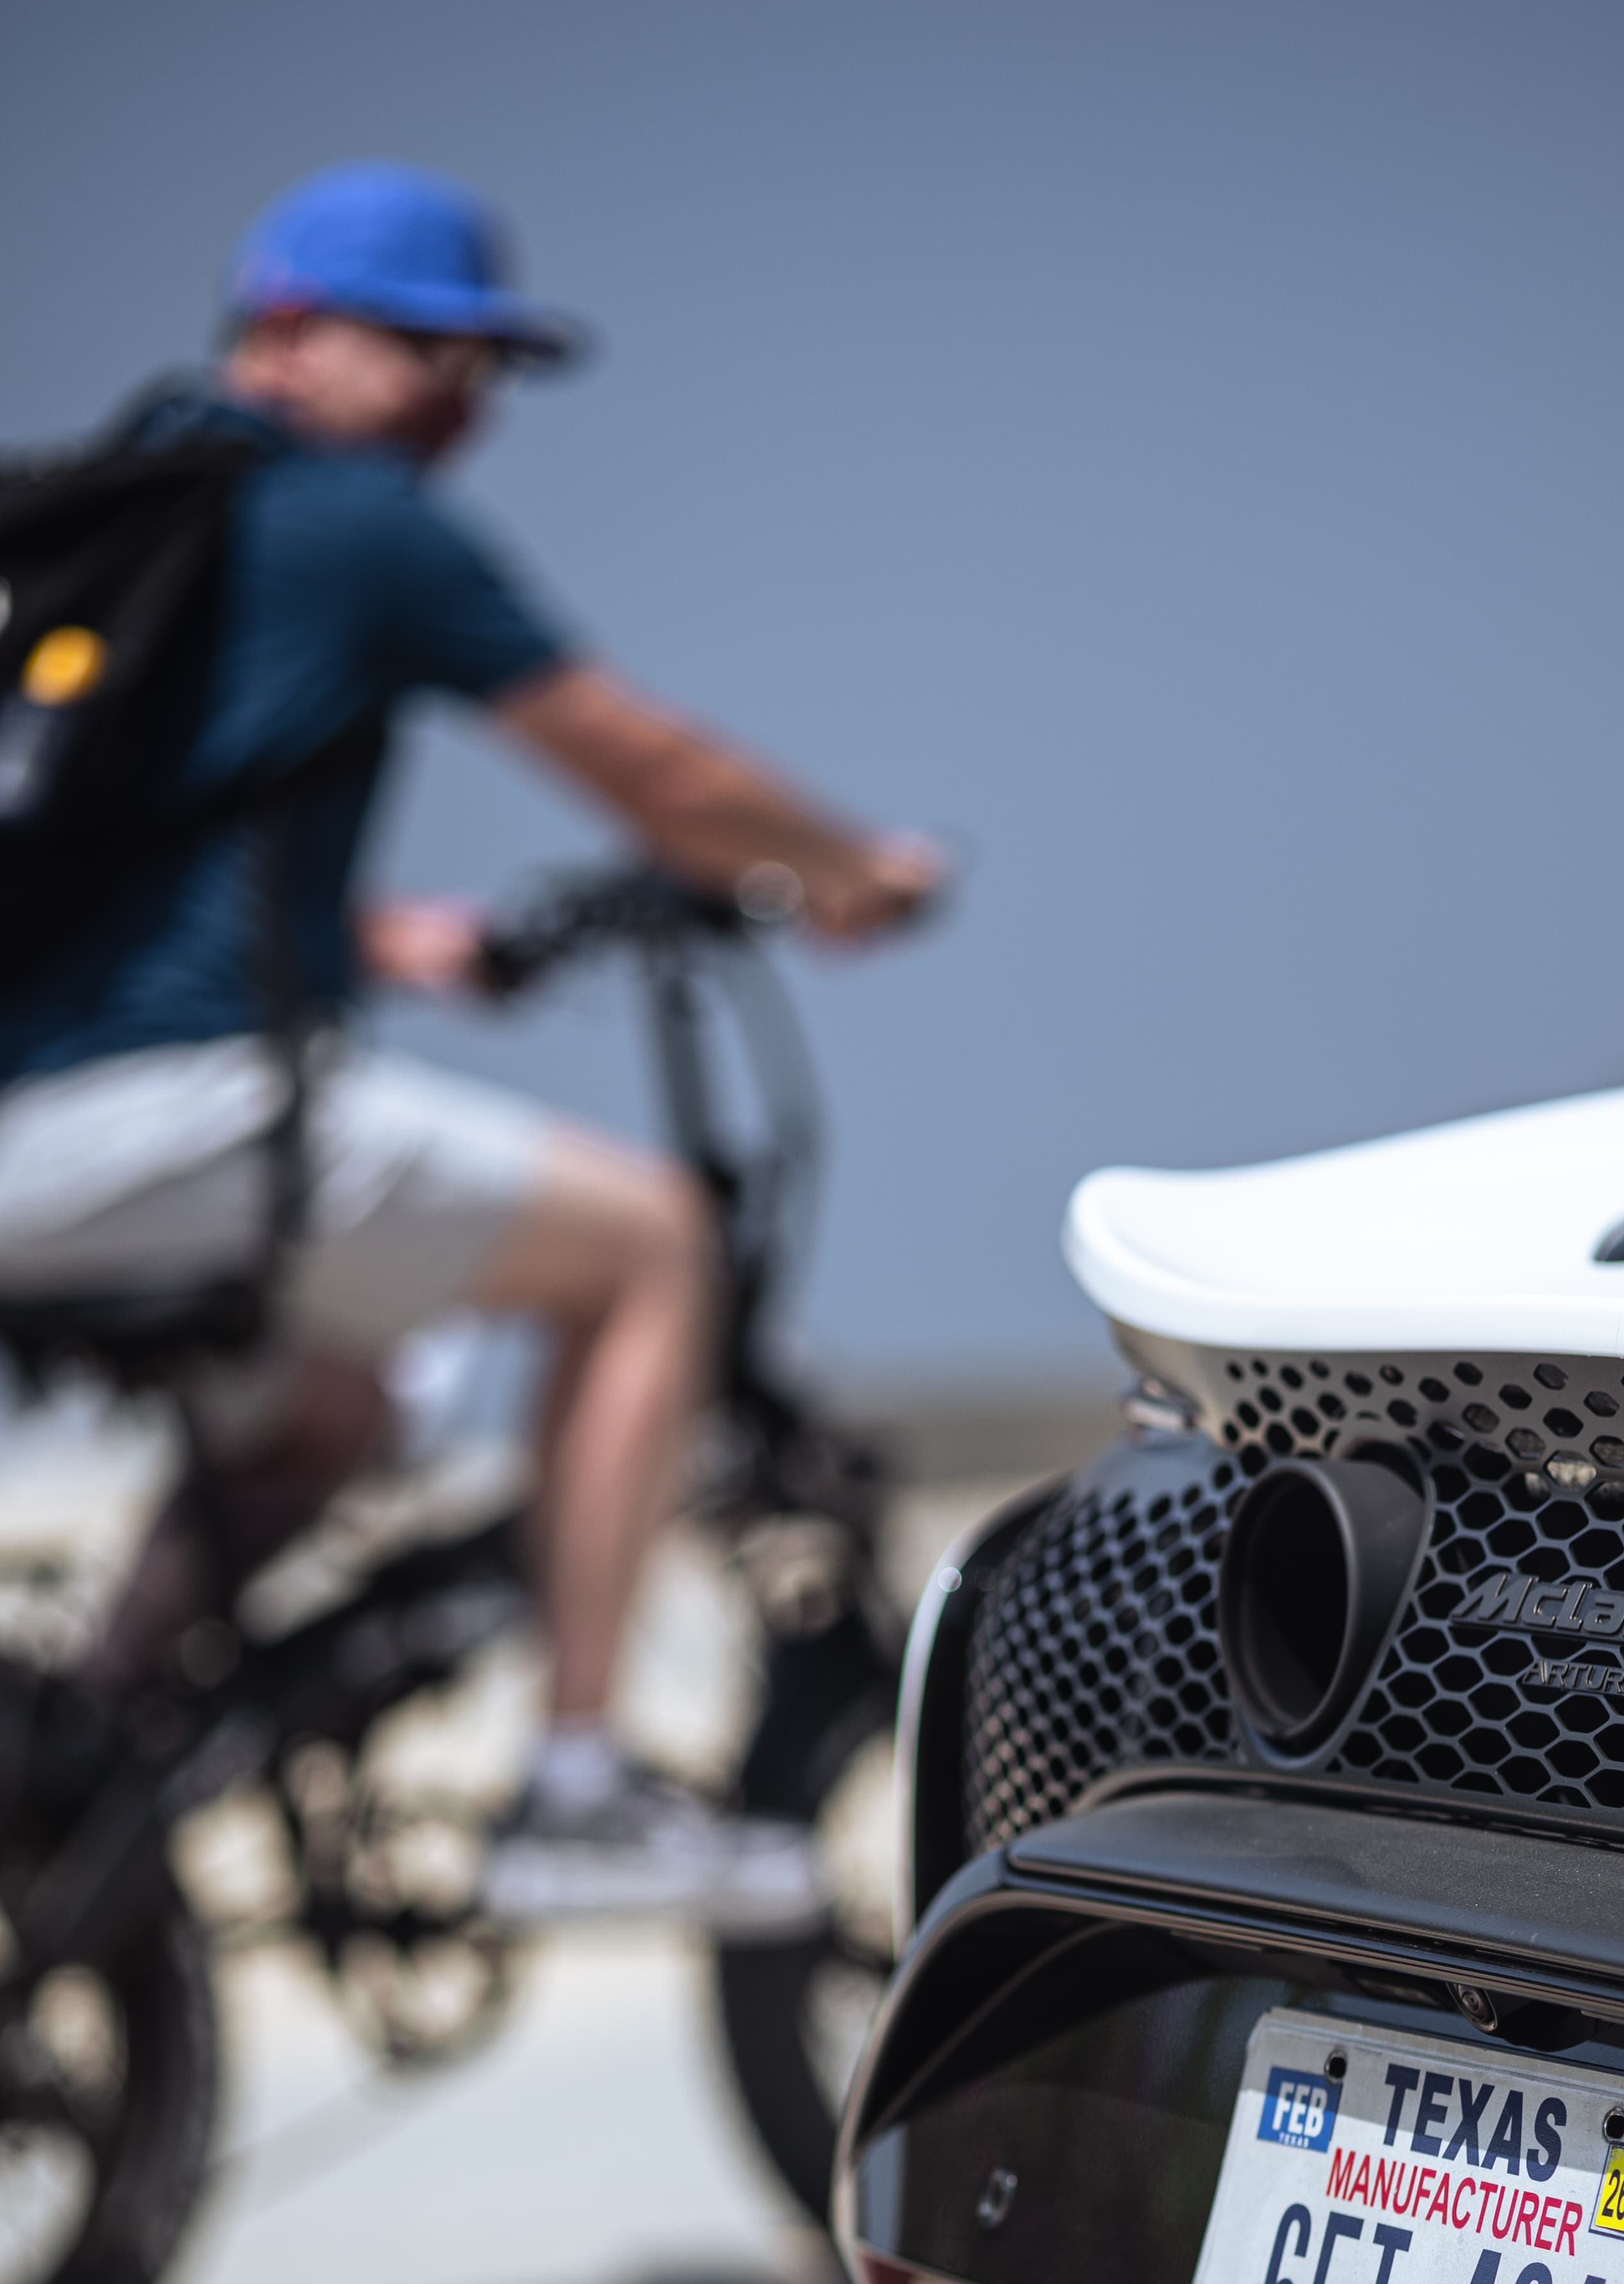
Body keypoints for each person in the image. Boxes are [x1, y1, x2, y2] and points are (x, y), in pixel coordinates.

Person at [0, 161, 944, 1921]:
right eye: (425, 349)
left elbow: (113, 855)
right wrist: (845, 872)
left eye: (488, 367)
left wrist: (390, 939)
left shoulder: (146, 524)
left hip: (40, 1132)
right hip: (169, 1122)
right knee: (659, 1243)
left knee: (338, 1410)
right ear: (285, 329)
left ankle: (87, 1749)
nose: (462, 400)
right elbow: (643, 762)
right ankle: (572, 1792)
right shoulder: (351, 523)